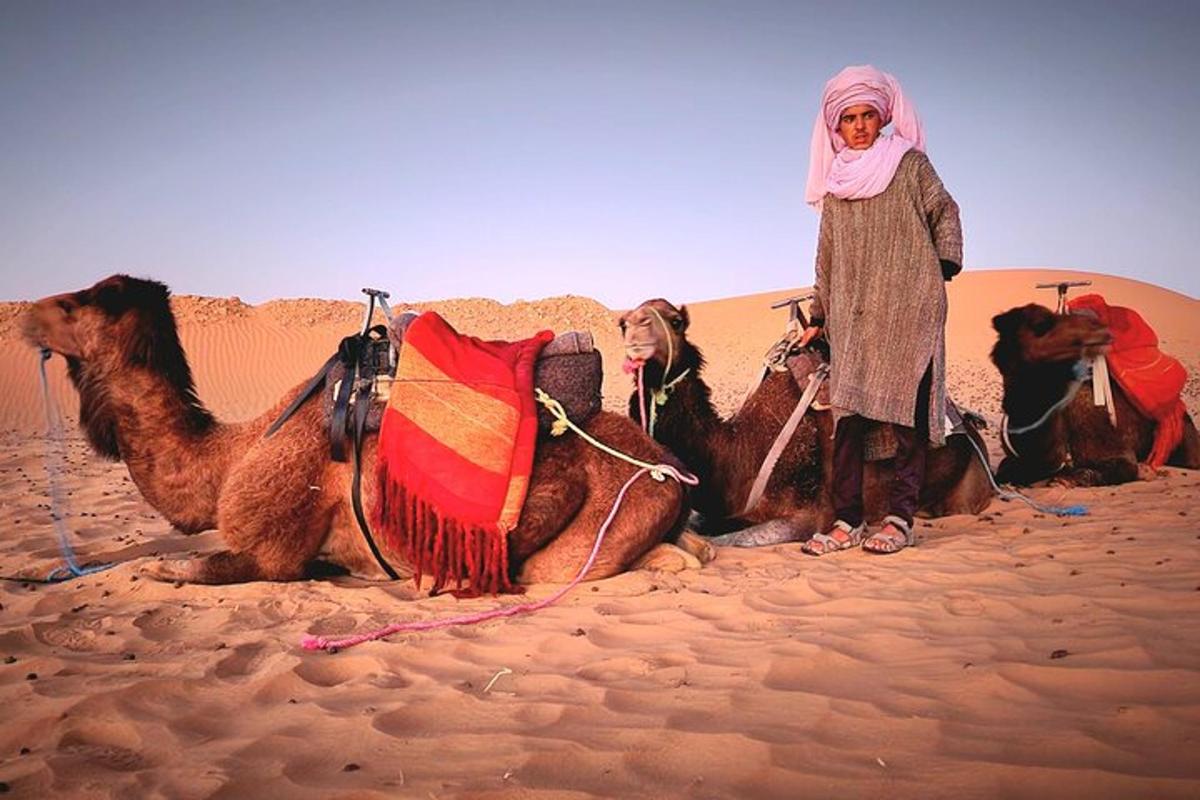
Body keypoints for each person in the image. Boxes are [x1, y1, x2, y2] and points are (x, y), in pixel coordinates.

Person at [797, 65, 962, 556]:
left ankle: (899, 518)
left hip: (909, 309)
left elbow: (944, 210)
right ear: (836, 126)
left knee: (908, 419)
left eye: (869, 115)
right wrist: (821, 315)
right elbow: (826, 259)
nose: (861, 126)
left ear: (883, 117)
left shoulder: (909, 165)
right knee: (848, 421)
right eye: (850, 118)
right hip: (855, 318)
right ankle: (848, 520)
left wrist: (943, 262)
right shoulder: (836, 188)